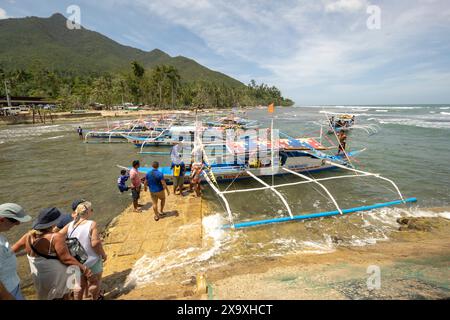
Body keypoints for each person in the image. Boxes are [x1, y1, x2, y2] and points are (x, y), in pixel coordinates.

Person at [12, 207, 93, 300]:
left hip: (39, 278)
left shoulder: (28, 236)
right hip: (56, 278)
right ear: (53, 222)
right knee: (62, 297)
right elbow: (66, 258)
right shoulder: (55, 237)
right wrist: (85, 269)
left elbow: (12, 250)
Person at [59, 201, 107, 300]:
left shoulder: (70, 225)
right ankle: (95, 298)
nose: (92, 211)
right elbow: (95, 243)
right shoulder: (91, 224)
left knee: (79, 285)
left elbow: (58, 236)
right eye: (91, 210)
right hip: (92, 260)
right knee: (94, 282)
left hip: (77, 261)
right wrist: (103, 254)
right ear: (87, 212)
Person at [0, 203, 32, 300]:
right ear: (1, 219)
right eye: (15, 221)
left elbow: (5, 255)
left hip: (11, 287)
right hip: (6, 292)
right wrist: (8, 297)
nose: (18, 224)